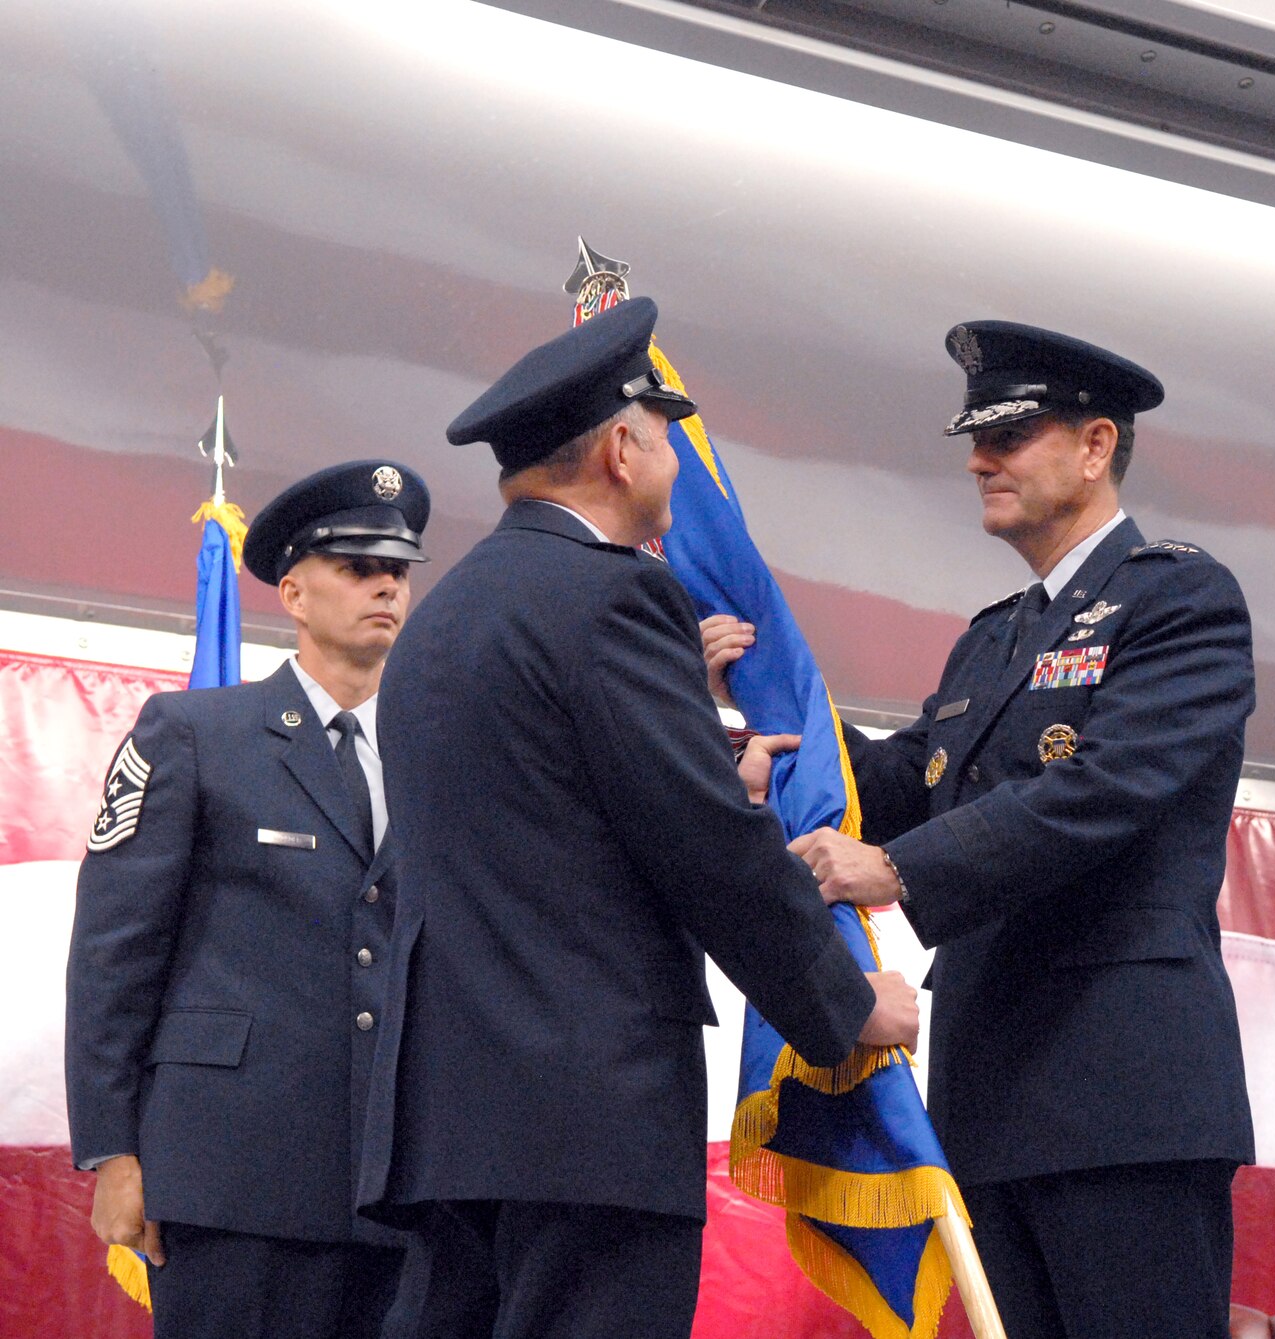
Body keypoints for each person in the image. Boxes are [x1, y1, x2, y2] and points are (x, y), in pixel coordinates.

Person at [353, 296, 919, 1339]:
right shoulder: (614, 598)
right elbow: (706, 853)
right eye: (663, 434)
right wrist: (846, 1007)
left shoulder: (439, 622)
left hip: (447, 1116)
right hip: (583, 1114)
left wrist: (707, 778)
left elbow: (542, 822)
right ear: (621, 447)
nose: (672, 458)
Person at [705, 321, 1257, 1339]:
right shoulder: (993, 637)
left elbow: (1107, 787)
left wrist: (893, 872)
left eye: (1010, 435)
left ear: (1095, 447)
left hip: (1122, 1092)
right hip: (994, 1089)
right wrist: (745, 727)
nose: (977, 458)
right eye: (976, 437)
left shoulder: (1178, 597)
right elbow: (890, 779)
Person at [67, 459, 432, 1338]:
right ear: (296, 593)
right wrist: (114, 1152)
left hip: (399, 1190)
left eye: (398, 569)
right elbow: (114, 952)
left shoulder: (436, 757)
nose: (385, 584)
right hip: (235, 1177)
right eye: (357, 566)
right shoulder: (197, 733)